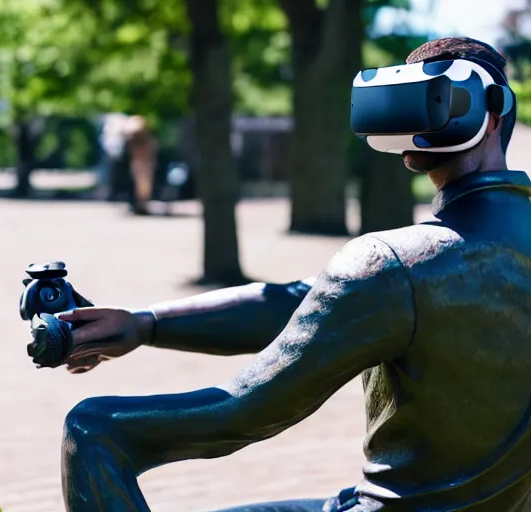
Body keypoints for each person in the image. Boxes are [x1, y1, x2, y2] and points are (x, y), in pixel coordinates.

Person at [56, 37, 531, 511]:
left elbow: (241, 412)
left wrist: (101, 426)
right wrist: (144, 323)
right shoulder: (398, 269)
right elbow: (315, 304)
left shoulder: (392, 263)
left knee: (94, 428)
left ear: (489, 114)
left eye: (435, 98)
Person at [123, 115, 158, 215]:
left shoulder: (145, 140)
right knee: (140, 186)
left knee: (144, 186)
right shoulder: (135, 139)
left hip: (143, 163)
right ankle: (139, 205)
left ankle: (142, 205)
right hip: (139, 162)